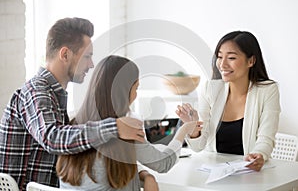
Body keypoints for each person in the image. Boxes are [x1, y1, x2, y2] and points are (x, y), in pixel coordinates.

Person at [0, 18, 145, 191]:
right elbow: (52, 138)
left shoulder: (54, 95)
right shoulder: (35, 92)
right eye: (87, 57)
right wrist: (114, 127)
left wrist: (142, 174)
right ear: (65, 54)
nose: (91, 65)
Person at [56, 55, 199, 191]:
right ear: (123, 92)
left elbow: (102, 175)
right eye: (136, 88)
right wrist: (184, 129)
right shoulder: (124, 129)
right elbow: (163, 163)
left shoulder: (73, 126)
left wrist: (145, 175)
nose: (136, 95)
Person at [176, 31, 281, 171]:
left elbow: (266, 138)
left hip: (250, 173)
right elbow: (198, 147)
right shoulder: (210, 89)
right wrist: (193, 127)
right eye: (220, 57)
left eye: (231, 57)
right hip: (214, 172)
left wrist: (258, 155)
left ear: (251, 61)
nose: (223, 64)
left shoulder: (268, 90)